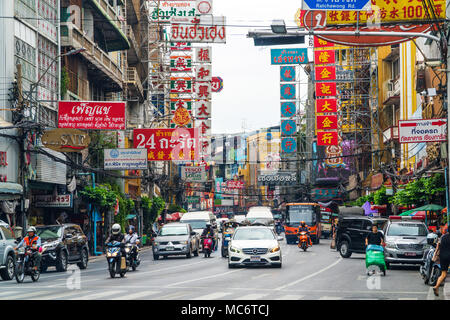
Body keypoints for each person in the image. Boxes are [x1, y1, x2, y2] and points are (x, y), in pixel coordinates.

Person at [433, 231, 450, 296]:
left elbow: (438, 245)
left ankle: (436, 286)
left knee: (443, 274)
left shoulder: (443, 237)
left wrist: (435, 255)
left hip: (442, 257)